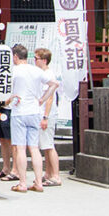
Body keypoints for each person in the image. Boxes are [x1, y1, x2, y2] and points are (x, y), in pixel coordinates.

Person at [7, 44, 59, 193]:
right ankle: (38, 182)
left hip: (19, 111)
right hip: (34, 111)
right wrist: (42, 99)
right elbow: (54, 84)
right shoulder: (36, 70)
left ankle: (23, 183)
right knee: (34, 148)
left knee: (21, 148)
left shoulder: (14, 71)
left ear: (15, 57)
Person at [33, 47, 62, 186]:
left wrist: (45, 116)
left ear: (44, 60)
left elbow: (50, 98)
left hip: (47, 113)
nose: (34, 61)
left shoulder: (49, 75)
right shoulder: (41, 74)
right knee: (45, 144)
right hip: (43, 111)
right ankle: (49, 173)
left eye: (36, 58)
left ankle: (56, 175)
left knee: (49, 145)